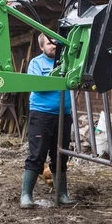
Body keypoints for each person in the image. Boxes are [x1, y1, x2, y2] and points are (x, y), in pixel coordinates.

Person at [21, 32, 74, 209]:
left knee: (61, 155)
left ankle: (62, 194)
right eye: (49, 44)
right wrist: (57, 78)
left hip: (64, 115)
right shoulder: (36, 63)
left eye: (56, 44)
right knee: (37, 156)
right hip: (41, 115)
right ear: (42, 47)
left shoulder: (69, 63)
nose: (54, 46)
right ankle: (26, 195)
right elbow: (37, 86)